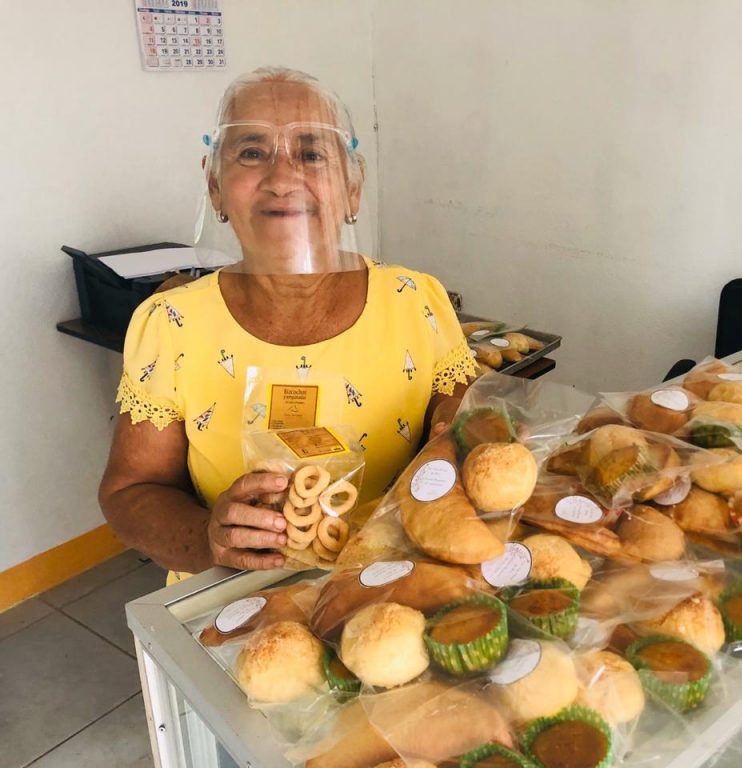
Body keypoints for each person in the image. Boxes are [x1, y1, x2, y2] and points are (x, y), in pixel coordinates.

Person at [98, 67, 474, 581]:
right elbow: (129, 492)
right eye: (252, 152)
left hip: (391, 591)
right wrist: (209, 535)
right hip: (232, 606)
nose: (282, 178)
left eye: (312, 153)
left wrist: (464, 437)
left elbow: (466, 436)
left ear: (353, 188)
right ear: (215, 186)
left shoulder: (417, 301)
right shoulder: (170, 324)